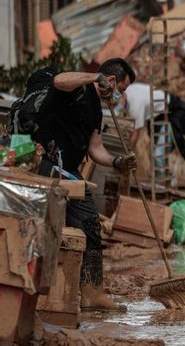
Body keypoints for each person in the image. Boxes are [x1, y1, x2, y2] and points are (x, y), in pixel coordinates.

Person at [33, 58, 137, 311]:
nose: (120, 97)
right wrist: (93, 78)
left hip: (69, 171)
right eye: (121, 89)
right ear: (110, 81)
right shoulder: (76, 89)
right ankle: (42, 292)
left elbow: (95, 148)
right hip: (49, 166)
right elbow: (59, 80)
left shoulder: (97, 110)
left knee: (90, 224)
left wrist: (117, 161)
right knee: (49, 229)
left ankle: (92, 293)